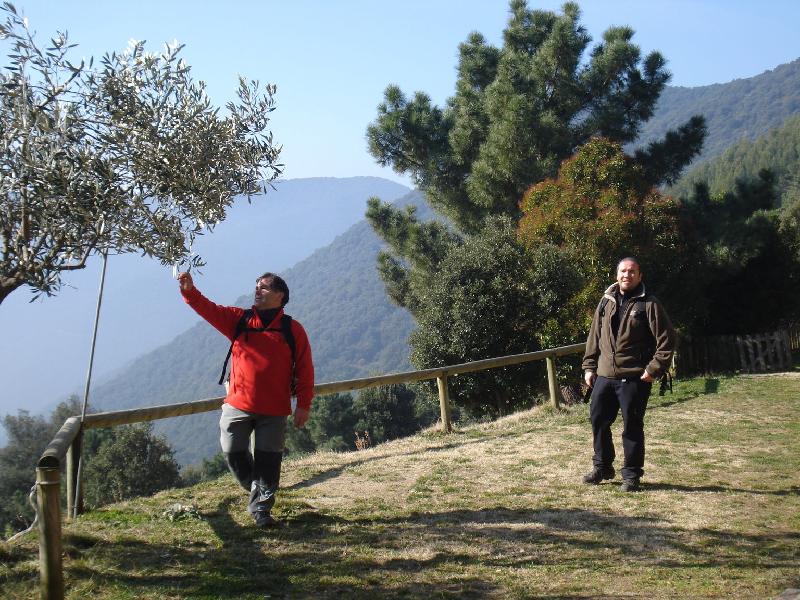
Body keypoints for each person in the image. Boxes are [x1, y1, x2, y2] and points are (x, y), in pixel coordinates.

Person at [178, 271, 314, 526]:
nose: (257, 290)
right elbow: (208, 309)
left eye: (263, 287)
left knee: (269, 461)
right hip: (237, 405)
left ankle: (261, 511)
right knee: (232, 452)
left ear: (279, 295)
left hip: (273, 410)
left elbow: (306, 369)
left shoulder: (292, 330)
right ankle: (258, 490)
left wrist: (303, 405)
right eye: (256, 286)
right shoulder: (239, 320)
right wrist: (189, 292)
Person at [581, 257, 675, 492]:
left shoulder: (649, 304)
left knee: (632, 427)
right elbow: (594, 337)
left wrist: (654, 369)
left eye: (632, 272)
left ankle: (631, 475)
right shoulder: (605, 302)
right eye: (623, 271)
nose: (627, 275)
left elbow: (667, 339)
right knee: (598, 421)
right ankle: (602, 466)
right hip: (604, 376)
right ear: (617, 275)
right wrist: (589, 367)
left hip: (634, 378)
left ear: (640, 276)